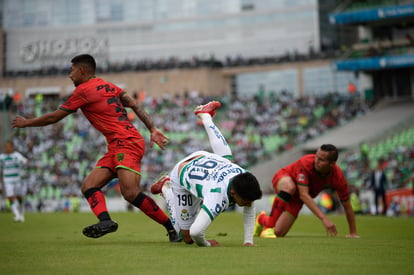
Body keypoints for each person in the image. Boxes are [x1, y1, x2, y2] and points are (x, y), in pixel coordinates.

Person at [11, 54, 180, 241]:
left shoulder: (83, 91)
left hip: (127, 142)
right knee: (89, 186)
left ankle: (172, 229)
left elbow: (55, 117)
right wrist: (152, 128)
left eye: (72, 70)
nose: (70, 75)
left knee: (130, 193)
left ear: (82, 70)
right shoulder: (110, 86)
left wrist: (27, 122)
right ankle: (106, 221)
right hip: (117, 145)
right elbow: (135, 105)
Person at [150, 101, 262, 247]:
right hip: (181, 175)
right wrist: (206, 243)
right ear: (233, 193)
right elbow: (195, 233)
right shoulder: (217, 197)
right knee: (186, 238)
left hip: (202, 158)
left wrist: (248, 241)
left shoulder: (243, 175)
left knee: (228, 160)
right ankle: (167, 188)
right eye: (246, 201)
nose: (248, 204)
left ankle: (205, 116)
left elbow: (250, 206)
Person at [254, 144, 359, 239]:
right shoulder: (306, 162)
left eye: (321, 160)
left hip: (297, 199)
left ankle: (261, 219)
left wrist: (353, 232)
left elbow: (347, 205)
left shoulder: (338, 177)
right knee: (289, 187)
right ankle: (268, 227)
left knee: (278, 232)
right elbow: (304, 195)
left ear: (332, 164)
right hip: (284, 178)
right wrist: (324, 218)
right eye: (316, 156)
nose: (316, 161)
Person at [0, 140, 28, 222]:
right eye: (6, 146)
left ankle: (21, 213)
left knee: (19, 197)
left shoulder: (16, 156)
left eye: (8, 146)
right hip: (7, 180)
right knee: (10, 197)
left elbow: (25, 161)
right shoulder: (2, 157)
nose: (7, 148)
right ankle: (17, 215)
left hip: (17, 180)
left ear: (12, 147)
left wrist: (22, 163)